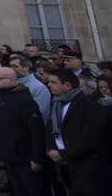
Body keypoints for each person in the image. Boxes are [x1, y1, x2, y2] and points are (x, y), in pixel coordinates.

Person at [45, 68, 107, 196]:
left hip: (84, 165)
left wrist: (65, 154)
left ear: (67, 85)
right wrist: (51, 149)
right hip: (63, 165)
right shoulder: (56, 104)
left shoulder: (88, 106)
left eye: (53, 82)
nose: (49, 85)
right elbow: (51, 129)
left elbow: (90, 137)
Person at [0, 67, 47, 196]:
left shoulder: (25, 100)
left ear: (11, 80)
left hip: (23, 154)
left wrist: (36, 158)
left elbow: (36, 130)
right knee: (18, 187)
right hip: (8, 152)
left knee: (31, 187)